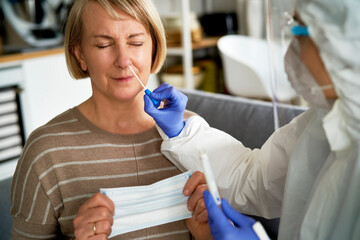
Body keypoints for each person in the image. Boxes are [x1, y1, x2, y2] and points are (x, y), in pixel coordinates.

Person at [145, 0, 360, 239]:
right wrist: (181, 131)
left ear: (343, 44)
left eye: (299, 29)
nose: (292, 45)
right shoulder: (325, 121)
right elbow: (254, 180)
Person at [9, 0, 208, 239]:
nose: (123, 61)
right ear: (80, 55)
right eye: (104, 45)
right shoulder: (45, 153)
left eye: (135, 42)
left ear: (153, 48)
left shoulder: (193, 134)